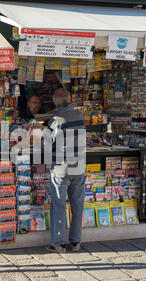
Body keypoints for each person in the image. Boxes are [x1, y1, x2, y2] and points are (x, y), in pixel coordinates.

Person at [45, 88, 86, 253]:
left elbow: (47, 145)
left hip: (61, 168)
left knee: (59, 206)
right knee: (77, 206)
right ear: (69, 100)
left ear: (55, 101)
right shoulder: (80, 115)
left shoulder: (56, 120)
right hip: (79, 167)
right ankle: (76, 242)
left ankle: (58, 243)